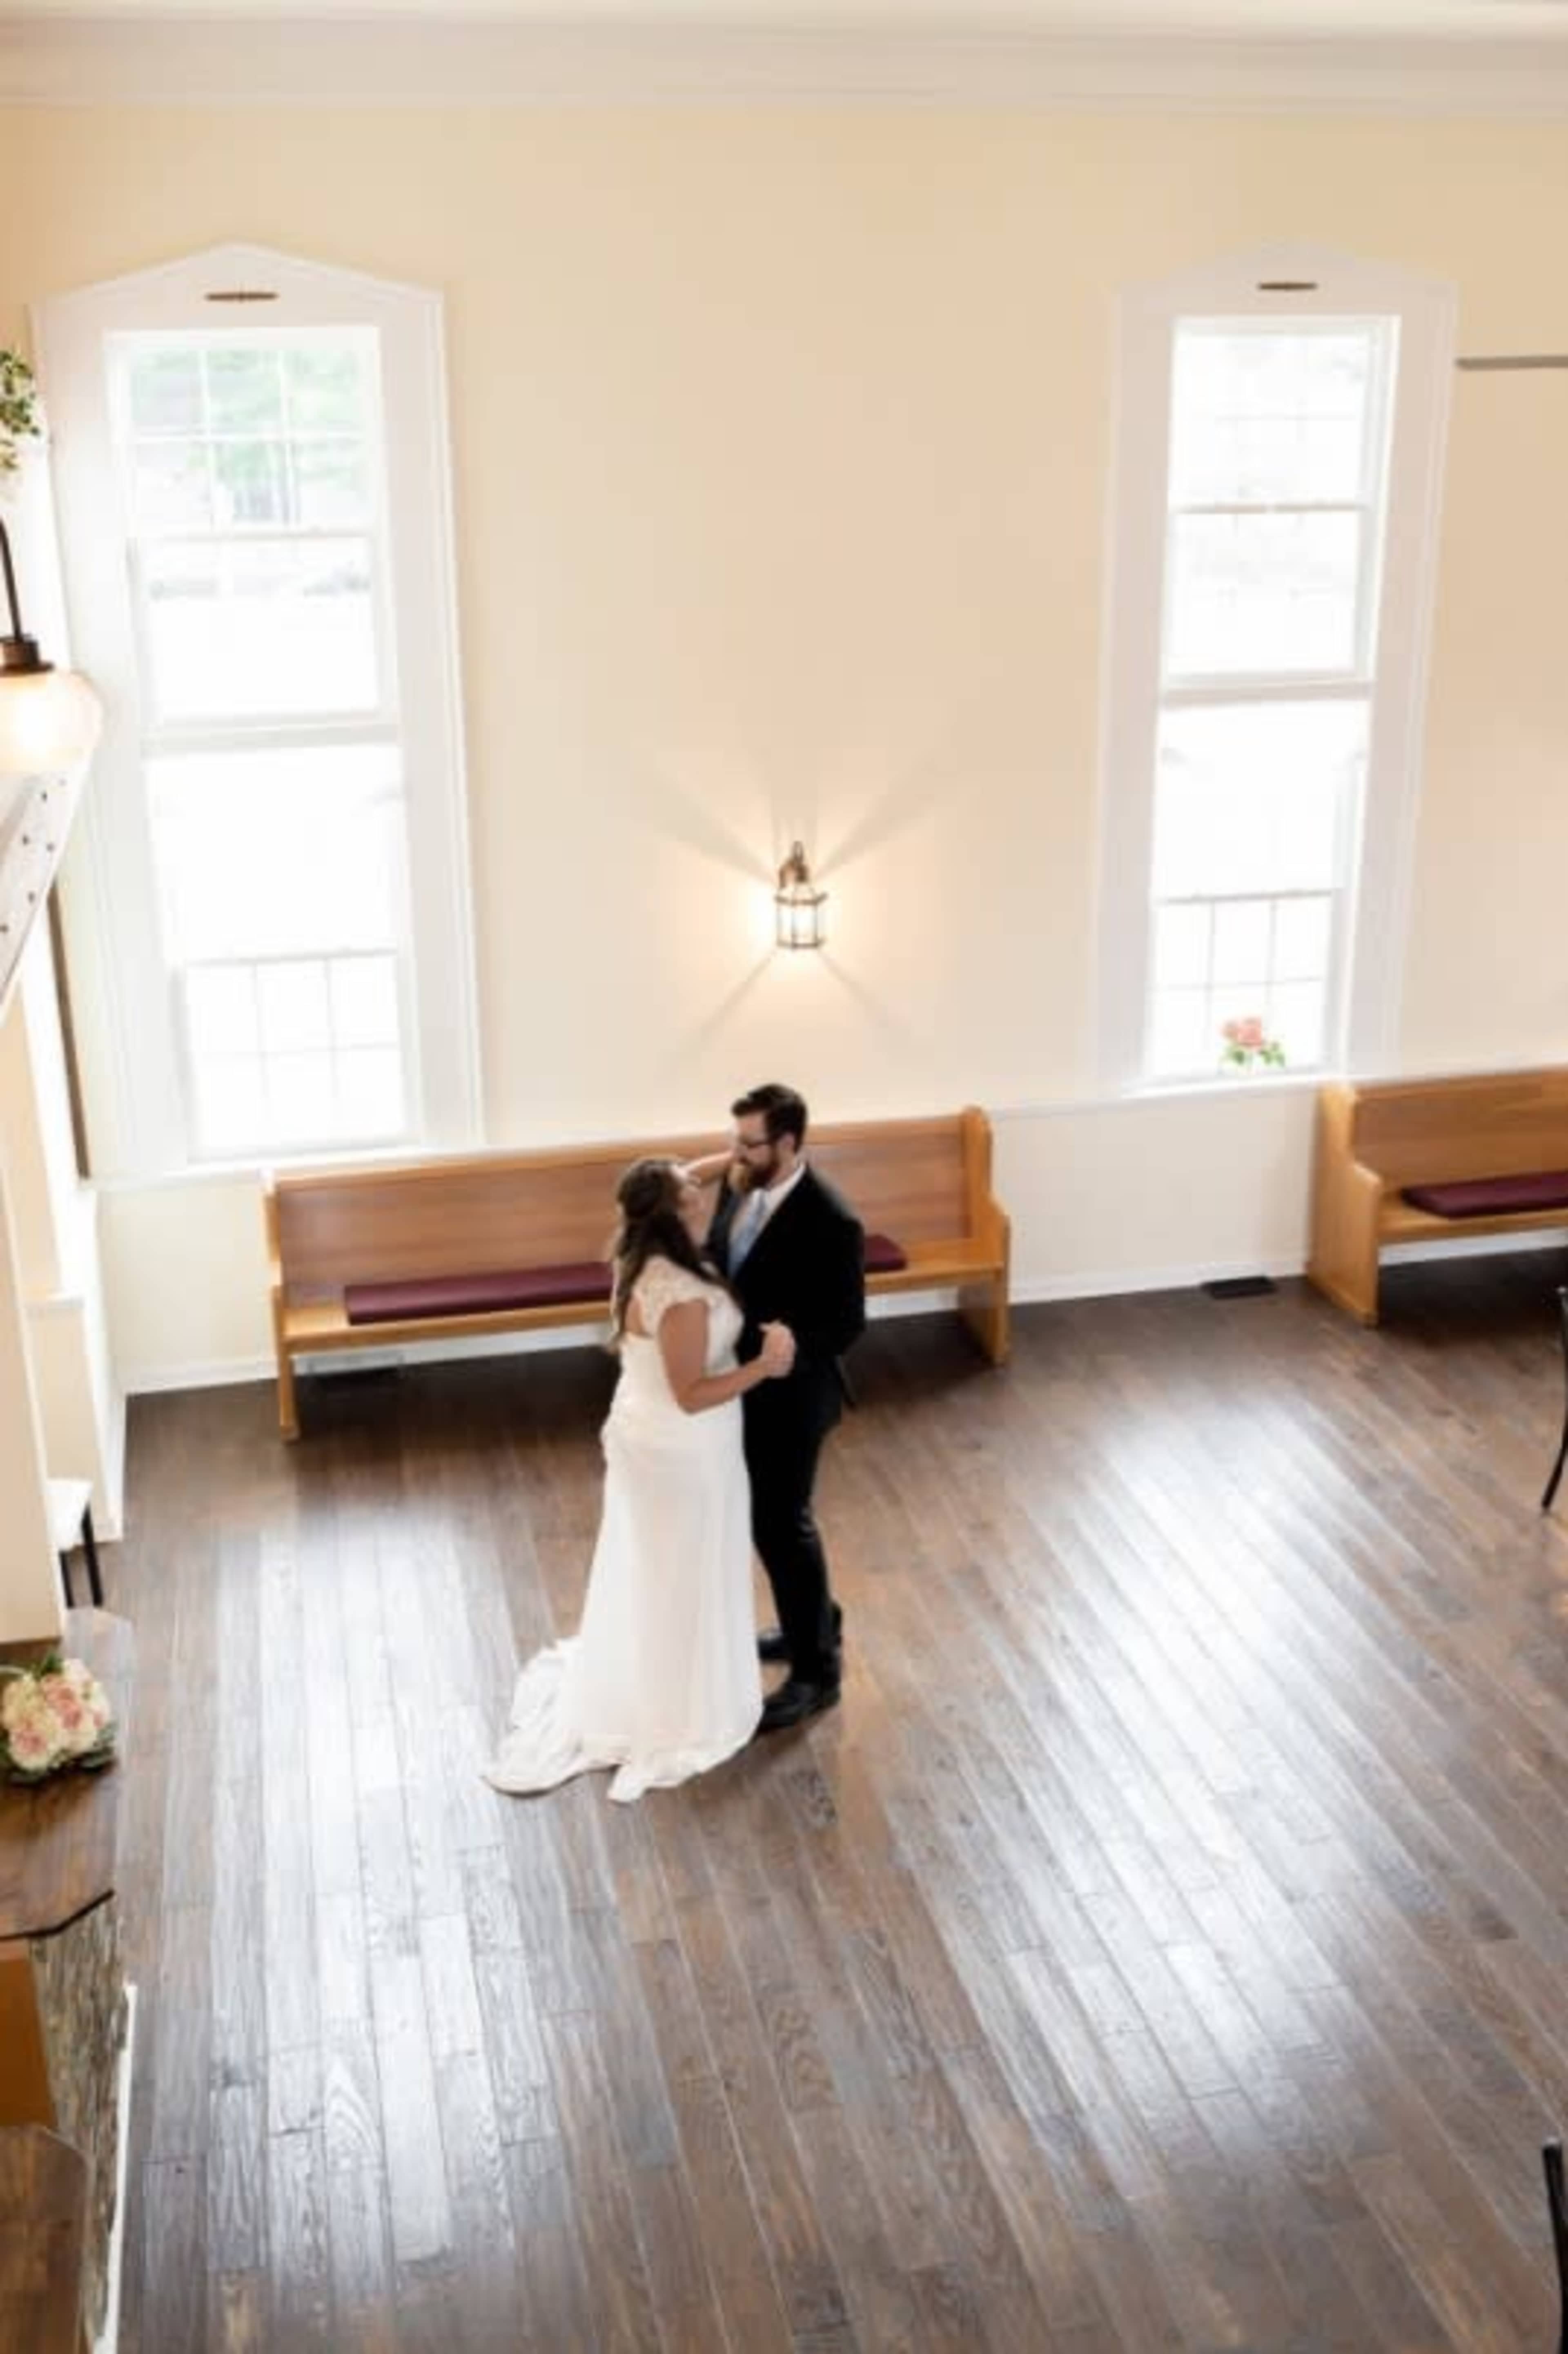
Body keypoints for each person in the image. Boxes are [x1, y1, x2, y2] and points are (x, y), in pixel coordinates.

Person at [484, 1157, 795, 1803]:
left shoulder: (642, 1257)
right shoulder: (679, 1295)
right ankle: (681, 1702)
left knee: (662, 1564)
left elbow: (690, 1172)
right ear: (675, 1213)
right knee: (685, 1565)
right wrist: (765, 1367)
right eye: (692, 1193)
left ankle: (662, 1671)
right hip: (684, 1447)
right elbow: (692, 1393)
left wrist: (729, 1152)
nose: (705, 1192)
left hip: (649, 1434)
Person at [698, 1083, 866, 1731]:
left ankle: (818, 1672)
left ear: (790, 1143)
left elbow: (849, 1323)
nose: (735, 1152)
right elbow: (725, 1257)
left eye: (750, 1141)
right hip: (743, 1382)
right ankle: (814, 1619)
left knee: (781, 1521)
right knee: (762, 1516)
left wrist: (795, 1345)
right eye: (735, 1138)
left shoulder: (832, 1220)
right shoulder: (740, 1182)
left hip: (795, 1395)